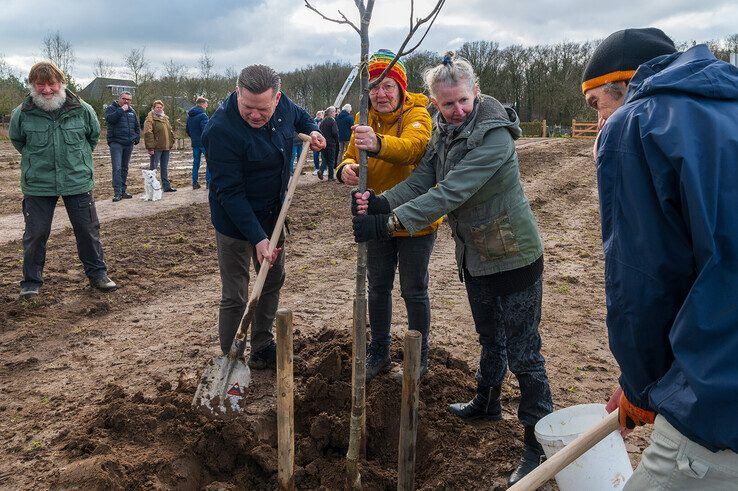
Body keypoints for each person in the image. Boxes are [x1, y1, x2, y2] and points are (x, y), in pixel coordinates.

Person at [352, 52, 552, 485]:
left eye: (462, 100)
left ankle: (536, 443)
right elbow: (423, 179)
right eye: (447, 104)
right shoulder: (444, 131)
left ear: (475, 92)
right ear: (436, 104)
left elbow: (450, 192)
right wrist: (384, 200)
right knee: (489, 337)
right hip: (476, 256)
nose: (456, 110)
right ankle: (487, 400)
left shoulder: (494, 138)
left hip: (514, 255)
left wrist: (387, 222)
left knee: (525, 353)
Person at [582, 28, 738, 489]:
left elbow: (644, 282)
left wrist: (642, 384)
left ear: (625, 85)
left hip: (718, 402)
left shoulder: (637, 124)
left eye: (596, 106)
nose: (597, 121)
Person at [202, 64, 326, 369]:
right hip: (234, 220)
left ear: (277, 98)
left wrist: (313, 130)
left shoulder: (284, 105)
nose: (255, 115)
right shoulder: (220, 130)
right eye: (248, 107)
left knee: (271, 280)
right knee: (236, 292)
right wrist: (257, 238)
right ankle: (231, 358)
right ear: (237, 93)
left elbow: (303, 117)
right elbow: (229, 192)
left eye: (263, 109)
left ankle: (261, 347)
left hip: (274, 213)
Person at [337, 49, 435, 383]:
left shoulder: (418, 113)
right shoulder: (362, 119)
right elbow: (347, 157)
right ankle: (378, 350)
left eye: (387, 86)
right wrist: (345, 170)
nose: (380, 93)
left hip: (415, 219)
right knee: (378, 287)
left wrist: (377, 143)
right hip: (374, 218)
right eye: (374, 86)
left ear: (401, 89)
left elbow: (413, 147)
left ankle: (418, 357)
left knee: (413, 288)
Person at [9, 61, 117, 300]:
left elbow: (93, 136)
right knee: (35, 233)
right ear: (33, 85)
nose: (46, 90)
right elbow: (18, 141)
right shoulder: (22, 113)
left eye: (51, 84)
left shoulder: (82, 109)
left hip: (76, 180)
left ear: (61, 83)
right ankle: (30, 282)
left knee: (87, 230)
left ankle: (98, 274)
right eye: (40, 85)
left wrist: (76, 159)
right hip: (38, 182)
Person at [105, 91, 140, 201]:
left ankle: (123, 191)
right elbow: (110, 120)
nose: (127, 101)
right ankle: (117, 193)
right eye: (124, 99)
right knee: (117, 168)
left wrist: (137, 137)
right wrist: (121, 110)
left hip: (128, 143)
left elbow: (136, 125)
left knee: (124, 168)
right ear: (119, 99)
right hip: (116, 143)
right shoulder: (111, 108)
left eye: (129, 100)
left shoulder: (132, 111)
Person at [143, 100, 176, 192]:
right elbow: (148, 133)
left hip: (166, 147)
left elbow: (170, 131)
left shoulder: (165, 118)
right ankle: (151, 188)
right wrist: (150, 147)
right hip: (156, 148)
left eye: (161, 107)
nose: (159, 109)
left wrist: (171, 141)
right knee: (153, 169)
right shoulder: (150, 119)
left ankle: (166, 186)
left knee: (164, 168)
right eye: (157, 107)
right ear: (154, 108)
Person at [186, 96, 209, 189]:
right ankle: (209, 183)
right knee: (209, 162)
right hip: (203, 143)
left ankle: (195, 183)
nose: (207, 105)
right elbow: (206, 130)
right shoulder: (203, 115)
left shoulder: (189, 116)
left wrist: (194, 137)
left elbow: (187, 130)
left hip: (194, 143)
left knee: (196, 163)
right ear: (202, 104)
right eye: (206, 104)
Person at [318, 106, 338, 181]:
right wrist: (336, 140)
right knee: (331, 160)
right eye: (334, 112)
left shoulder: (323, 121)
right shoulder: (332, 121)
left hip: (324, 143)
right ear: (332, 112)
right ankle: (330, 177)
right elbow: (335, 132)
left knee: (325, 159)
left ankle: (321, 170)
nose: (335, 113)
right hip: (331, 143)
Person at [312, 110, 324, 175]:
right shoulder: (313, 122)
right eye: (318, 115)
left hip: (322, 140)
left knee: (323, 156)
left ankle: (323, 169)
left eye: (320, 115)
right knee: (315, 155)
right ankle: (316, 168)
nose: (319, 116)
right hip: (315, 140)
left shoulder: (323, 121)